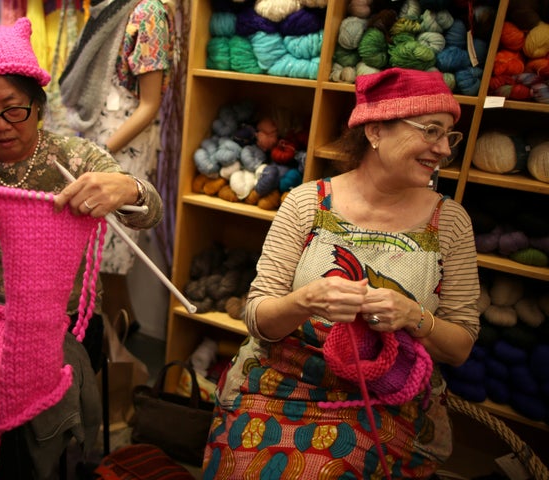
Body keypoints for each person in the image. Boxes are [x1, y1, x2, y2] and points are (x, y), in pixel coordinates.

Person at [202, 67, 480, 479]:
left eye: (448, 136)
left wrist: (413, 317)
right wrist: (304, 302)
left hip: (386, 396)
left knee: (330, 469)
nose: (444, 150)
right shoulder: (306, 204)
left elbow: (459, 347)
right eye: (431, 131)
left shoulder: (450, 223)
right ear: (375, 131)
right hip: (286, 377)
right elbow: (257, 317)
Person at [0, 18, 163, 480]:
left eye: (14, 109)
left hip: (62, 319)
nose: (0, 126)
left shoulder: (78, 161)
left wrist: (128, 188)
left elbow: (148, 210)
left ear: (37, 102)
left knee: (23, 400)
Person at [57, 0, 175, 331]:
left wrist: (98, 154)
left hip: (121, 154)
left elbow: (149, 106)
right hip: (96, 147)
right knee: (96, 265)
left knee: (108, 261)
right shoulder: (100, 13)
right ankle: (114, 349)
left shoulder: (146, 13)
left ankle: (116, 356)